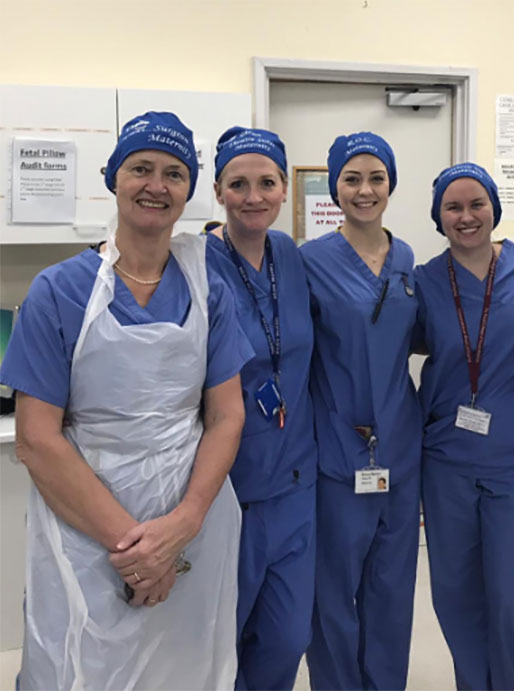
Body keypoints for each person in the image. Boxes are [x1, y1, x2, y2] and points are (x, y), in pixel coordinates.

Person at [0, 112, 252, 690]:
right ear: (113, 177)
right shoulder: (59, 291)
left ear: (189, 190)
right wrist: (137, 552)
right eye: (141, 168)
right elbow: (38, 439)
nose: (156, 186)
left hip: (192, 523)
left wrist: (182, 526)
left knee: (185, 669)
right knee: (78, 667)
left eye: (174, 174)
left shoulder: (208, 287)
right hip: (86, 526)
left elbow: (226, 416)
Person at [414, 163, 514, 690]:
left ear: (495, 208)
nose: (466, 216)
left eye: (477, 204)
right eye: (453, 207)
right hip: (447, 458)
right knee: (455, 591)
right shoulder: (424, 281)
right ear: (439, 217)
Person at [300, 131, 422, 690]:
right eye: (351, 179)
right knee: (333, 591)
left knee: (393, 587)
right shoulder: (310, 261)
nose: (365, 189)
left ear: (391, 185)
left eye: (376, 177)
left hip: (400, 446)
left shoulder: (407, 259)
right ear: (335, 188)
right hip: (337, 448)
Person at [203, 126, 317, 690]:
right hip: (227, 489)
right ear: (217, 191)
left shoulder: (290, 256)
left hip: (295, 484)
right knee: (220, 641)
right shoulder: (195, 261)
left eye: (267, 183)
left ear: (283, 189)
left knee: (287, 638)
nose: (254, 197)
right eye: (238, 184)